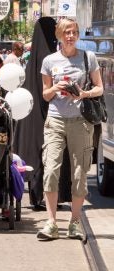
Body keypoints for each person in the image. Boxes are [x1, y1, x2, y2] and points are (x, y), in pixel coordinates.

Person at [37, 18, 104, 240]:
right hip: (55, 120)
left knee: (79, 173)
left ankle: (75, 222)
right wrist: (56, 87)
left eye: (74, 32)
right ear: (59, 34)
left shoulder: (88, 57)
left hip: (80, 121)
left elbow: (99, 88)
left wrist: (82, 93)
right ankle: (52, 223)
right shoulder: (49, 61)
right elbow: (45, 94)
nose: (71, 36)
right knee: (51, 171)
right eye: (67, 32)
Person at [13, 17, 58, 210]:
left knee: (36, 152)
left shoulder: (35, 58)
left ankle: (36, 196)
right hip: (46, 112)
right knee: (46, 153)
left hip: (30, 113)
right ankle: (43, 197)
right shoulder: (49, 55)